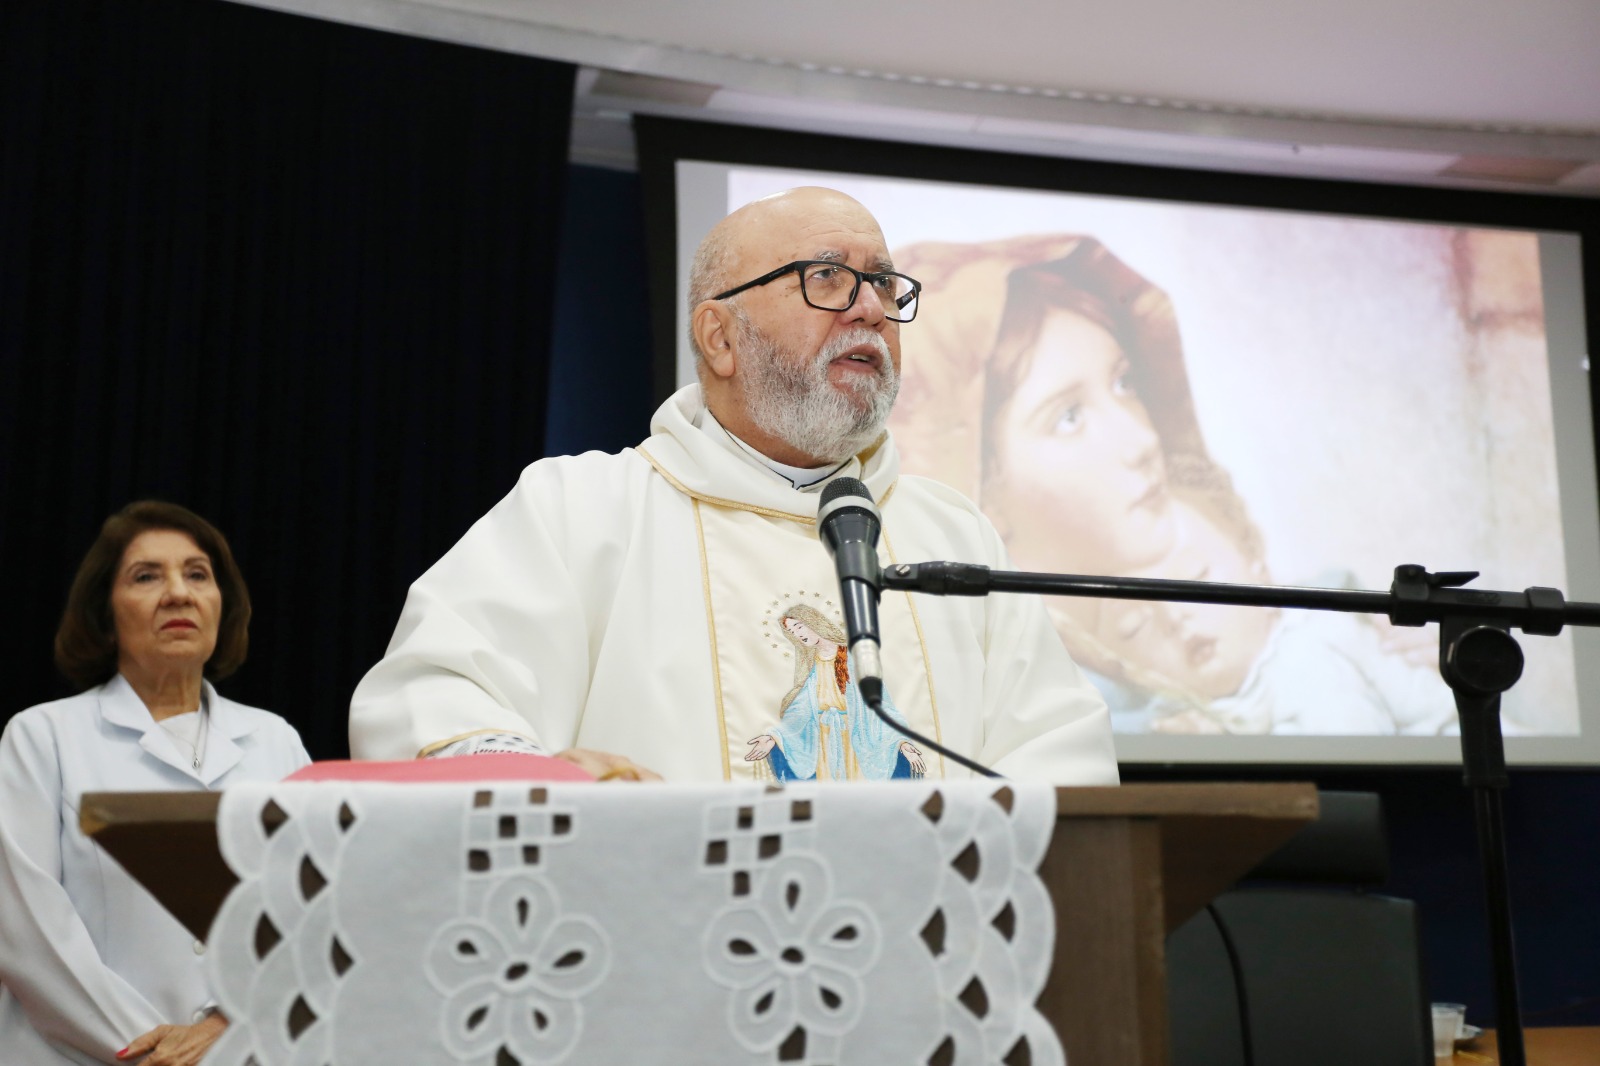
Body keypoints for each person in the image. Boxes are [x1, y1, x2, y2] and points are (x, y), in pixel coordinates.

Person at [349, 187, 1119, 785]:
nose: (871, 309)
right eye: (828, 277)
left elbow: (1059, 754)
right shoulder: (580, 510)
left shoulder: (954, 534)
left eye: (884, 283)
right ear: (720, 337)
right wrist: (551, 786)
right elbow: (435, 699)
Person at [890, 234, 1449, 735]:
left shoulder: (1302, 623)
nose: (1142, 440)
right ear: (976, 483)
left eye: (1124, 382)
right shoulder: (972, 696)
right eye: (1068, 417)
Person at [0, 502, 311, 1065]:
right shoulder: (42, 737)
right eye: (147, 576)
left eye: (197, 574)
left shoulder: (276, 741)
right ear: (104, 612)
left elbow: (310, 914)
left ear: (222, 603)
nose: (178, 593)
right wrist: (156, 1054)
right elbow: (25, 932)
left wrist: (229, 1025)